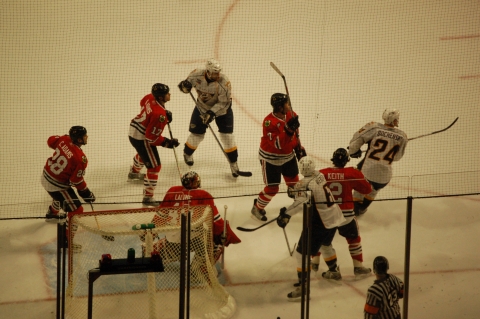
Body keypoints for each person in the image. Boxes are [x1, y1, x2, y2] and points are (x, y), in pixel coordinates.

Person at [276, 156, 345, 301]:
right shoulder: (319, 175)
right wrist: (295, 191)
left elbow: (301, 201)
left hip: (321, 222)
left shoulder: (304, 184)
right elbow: (306, 192)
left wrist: (286, 215)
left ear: (301, 169)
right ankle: (334, 271)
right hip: (335, 216)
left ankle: (304, 287)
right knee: (325, 245)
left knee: (301, 254)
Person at [146, 171, 241, 274]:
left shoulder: (172, 191)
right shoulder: (203, 195)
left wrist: (151, 232)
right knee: (215, 243)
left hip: (172, 240)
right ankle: (198, 270)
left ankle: (163, 250)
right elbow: (216, 221)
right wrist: (226, 235)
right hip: (191, 241)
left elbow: (161, 216)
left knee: (178, 234)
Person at [310, 148, 373, 278]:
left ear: (333, 159)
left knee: (320, 238)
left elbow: (309, 189)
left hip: (328, 214)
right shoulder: (352, 173)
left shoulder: (322, 174)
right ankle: (358, 267)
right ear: (346, 160)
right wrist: (360, 176)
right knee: (353, 239)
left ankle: (315, 263)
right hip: (347, 215)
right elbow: (367, 190)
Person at [178, 58, 245, 177]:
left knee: (227, 137)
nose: (217, 75)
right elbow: (185, 85)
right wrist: (184, 87)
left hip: (223, 111)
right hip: (202, 108)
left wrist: (211, 113)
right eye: (215, 73)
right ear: (208, 72)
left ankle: (234, 164)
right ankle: (187, 153)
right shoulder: (196, 74)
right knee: (197, 135)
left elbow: (224, 102)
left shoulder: (224, 82)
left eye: (218, 72)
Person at [251, 93, 306, 222]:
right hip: (270, 159)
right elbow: (278, 144)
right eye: (287, 103)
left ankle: (293, 194)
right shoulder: (269, 122)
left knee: (294, 184)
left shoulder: (291, 115)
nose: (289, 105)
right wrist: (288, 130)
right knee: (272, 188)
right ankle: (256, 208)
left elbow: (296, 135)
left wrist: (298, 147)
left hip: (288, 157)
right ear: (280, 107)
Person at [128, 83, 179, 206]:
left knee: (145, 154)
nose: (169, 94)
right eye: (167, 93)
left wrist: (159, 115)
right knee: (155, 166)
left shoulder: (151, 96)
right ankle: (148, 197)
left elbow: (142, 103)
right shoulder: (159, 115)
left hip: (134, 130)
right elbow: (151, 138)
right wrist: (167, 142)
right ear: (161, 97)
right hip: (142, 137)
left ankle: (134, 172)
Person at [348, 109, 408, 215]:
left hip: (367, 171)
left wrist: (353, 151)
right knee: (374, 189)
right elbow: (397, 157)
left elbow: (358, 139)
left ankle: (355, 209)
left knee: (359, 186)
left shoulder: (374, 128)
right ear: (394, 120)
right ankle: (362, 208)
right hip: (384, 176)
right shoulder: (402, 136)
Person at [42, 126, 95, 222]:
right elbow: (76, 180)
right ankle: (66, 236)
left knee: (61, 196)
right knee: (77, 210)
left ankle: (52, 213)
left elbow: (51, 141)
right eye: (84, 136)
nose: (87, 137)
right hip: (56, 185)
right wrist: (86, 193)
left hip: (45, 175)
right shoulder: (80, 159)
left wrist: (63, 139)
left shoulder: (65, 139)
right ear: (79, 140)